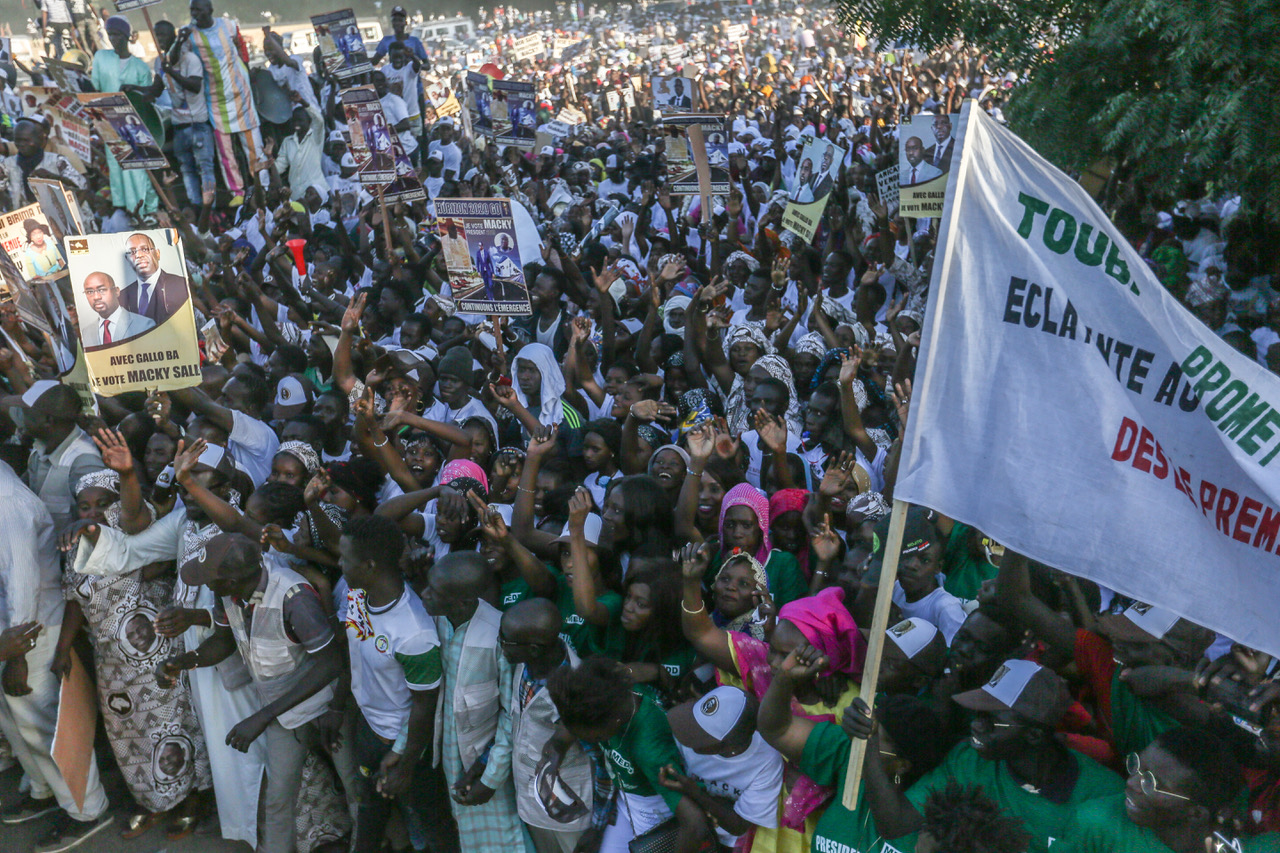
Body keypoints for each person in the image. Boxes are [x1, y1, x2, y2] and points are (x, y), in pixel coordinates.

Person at [156, 531, 352, 853]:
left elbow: (330, 663)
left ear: (231, 581)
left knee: (353, 785)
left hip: (328, 707)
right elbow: (225, 640)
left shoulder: (293, 597)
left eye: (210, 579)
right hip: (284, 712)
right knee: (279, 798)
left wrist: (262, 717)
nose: (206, 586)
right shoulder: (230, 595)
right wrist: (183, 662)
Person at [0, 460, 112, 852]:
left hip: (29, 629)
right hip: (11, 630)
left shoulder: (6, 500)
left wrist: (17, 655)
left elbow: (22, 579)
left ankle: (87, 810)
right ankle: (44, 791)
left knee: (46, 725)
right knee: (17, 724)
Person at [337, 514, 459, 853]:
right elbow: (355, 654)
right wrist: (337, 706)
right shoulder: (357, 597)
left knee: (433, 823)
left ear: (369, 565)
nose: (339, 565)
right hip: (368, 729)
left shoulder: (414, 632)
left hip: (405, 746)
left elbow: (425, 706)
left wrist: (405, 767)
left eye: (344, 558)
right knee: (370, 812)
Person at [547, 656, 714, 853]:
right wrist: (554, 754)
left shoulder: (649, 749)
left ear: (609, 721)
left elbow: (695, 824)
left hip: (657, 816)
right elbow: (572, 725)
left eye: (595, 737)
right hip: (626, 805)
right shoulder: (612, 693)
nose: (592, 741)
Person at [420, 550, 527, 853]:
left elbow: (512, 715)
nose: (424, 594)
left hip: (485, 767)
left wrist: (491, 777)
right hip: (448, 760)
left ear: (463, 603)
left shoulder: (497, 635)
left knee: (502, 843)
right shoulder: (435, 621)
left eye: (434, 591)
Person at [499, 598, 601, 853]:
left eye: (505, 641)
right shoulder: (525, 665)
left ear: (534, 649)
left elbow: (600, 761)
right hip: (533, 802)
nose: (500, 645)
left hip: (569, 812)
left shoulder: (575, 690)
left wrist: (597, 827)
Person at [663, 685, 785, 851]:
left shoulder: (767, 761)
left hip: (729, 843)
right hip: (682, 825)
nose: (687, 734)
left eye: (699, 733)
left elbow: (739, 826)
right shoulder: (685, 734)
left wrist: (696, 793)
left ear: (728, 746)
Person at [186, 0, 265, 205]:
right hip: (215, 100)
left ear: (210, 10)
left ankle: (262, 187)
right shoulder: (189, 34)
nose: (195, 13)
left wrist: (245, 68)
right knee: (226, 152)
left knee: (253, 147)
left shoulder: (228, 25)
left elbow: (240, 46)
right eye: (192, 10)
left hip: (241, 95)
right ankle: (237, 194)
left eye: (198, 9)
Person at [89, 16, 157, 216]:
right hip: (108, 121)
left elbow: (148, 99)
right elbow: (95, 88)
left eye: (117, 34)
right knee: (117, 167)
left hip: (134, 125)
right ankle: (123, 208)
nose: (113, 39)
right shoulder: (101, 57)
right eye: (110, 34)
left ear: (127, 36)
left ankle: (146, 210)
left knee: (138, 170)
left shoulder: (141, 67)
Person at [120, 232, 190, 325]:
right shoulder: (122, 297)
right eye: (132, 252)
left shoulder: (180, 284)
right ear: (127, 259)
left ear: (157, 254)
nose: (139, 255)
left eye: (145, 249)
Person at [79, 271, 156, 347]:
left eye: (102, 290)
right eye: (90, 292)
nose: (96, 297)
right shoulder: (86, 332)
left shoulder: (144, 325)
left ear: (116, 291)